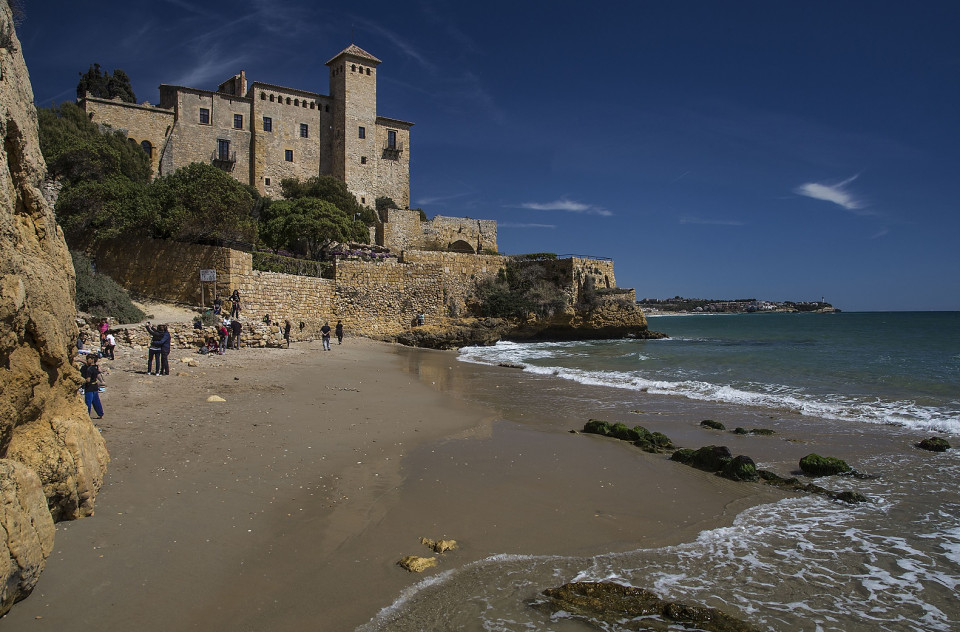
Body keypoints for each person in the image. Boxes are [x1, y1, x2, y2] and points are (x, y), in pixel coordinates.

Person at [80, 354, 104, 419]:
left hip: (89, 387)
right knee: (96, 401)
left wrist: (81, 381)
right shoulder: (95, 367)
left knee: (88, 402)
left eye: (88, 359)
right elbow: (99, 373)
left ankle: (87, 416)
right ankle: (100, 414)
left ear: (92, 360)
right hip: (95, 386)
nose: (87, 360)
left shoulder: (89, 369)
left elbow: (88, 380)